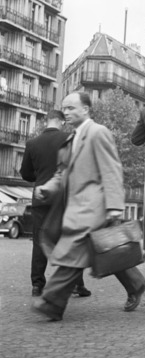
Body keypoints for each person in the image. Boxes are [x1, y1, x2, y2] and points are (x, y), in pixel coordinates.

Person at [31, 92, 145, 321]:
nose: (66, 112)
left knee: (71, 254)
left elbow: (112, 169)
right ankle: (136, 283)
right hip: (74, 207)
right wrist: (47, 188)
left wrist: (114, 207)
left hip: (93, 206)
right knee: (103, 251)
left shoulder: (98, 133)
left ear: (85, 109)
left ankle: (51, 303)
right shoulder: (70, 139)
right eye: (64, 108)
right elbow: (61, 173)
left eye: (72, 108)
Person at [20, 110, 91, 298]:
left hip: (41, 197)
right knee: (71, 241)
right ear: (61, 121)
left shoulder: (32, 143)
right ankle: (77, 284)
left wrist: (42, 176)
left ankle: (37, 284)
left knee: (39, 241)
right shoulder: (69, 138)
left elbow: (25, 173)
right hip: (65, 197)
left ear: (46, 121)